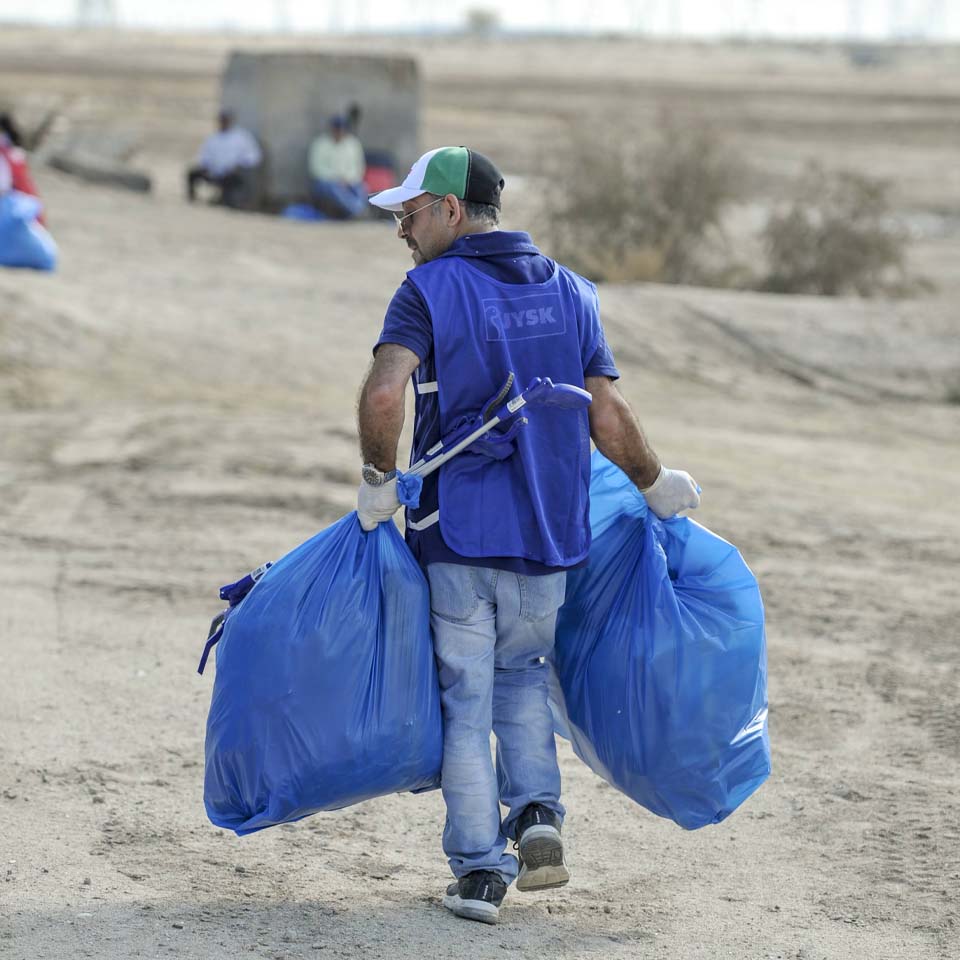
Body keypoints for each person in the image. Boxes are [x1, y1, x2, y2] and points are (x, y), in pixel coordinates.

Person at [356, 146, 701, 925]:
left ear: (449, 210)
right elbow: (606, 413)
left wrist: (378, 481)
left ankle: (480, 873)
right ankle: (539, 817)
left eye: (409, 216)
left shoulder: (427, 290)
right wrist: (655, 483)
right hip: (549, 538)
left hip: (459, 540)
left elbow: (385, 393)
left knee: (464, 701)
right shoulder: (572, 291)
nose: (403, 234)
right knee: (524, 676)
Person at [186, 110, 262, 209]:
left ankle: (227, 201)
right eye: (221, 120)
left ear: (231, 121)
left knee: (231, 184)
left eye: (225, 120)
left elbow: (254, 157)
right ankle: (192, 199)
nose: (223, 122)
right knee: (192, 173)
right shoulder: (213, 138)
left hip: (233, 173)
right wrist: (206, 167)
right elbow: (204, 156)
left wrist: (239, 166)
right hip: (214, 172)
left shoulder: (241, 137)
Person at [308, 114, 366, 220]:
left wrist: (347, 180)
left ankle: (356, 210)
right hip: (327, 182)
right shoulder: (321, 143)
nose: (339, 132)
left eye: (342, 130)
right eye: (337, 129)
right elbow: (316, 169)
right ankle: (356, 211)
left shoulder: (353, 144)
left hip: (349, 181)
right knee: (334, 189)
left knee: (362, 188)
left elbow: (358, 168)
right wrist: (337, 179)